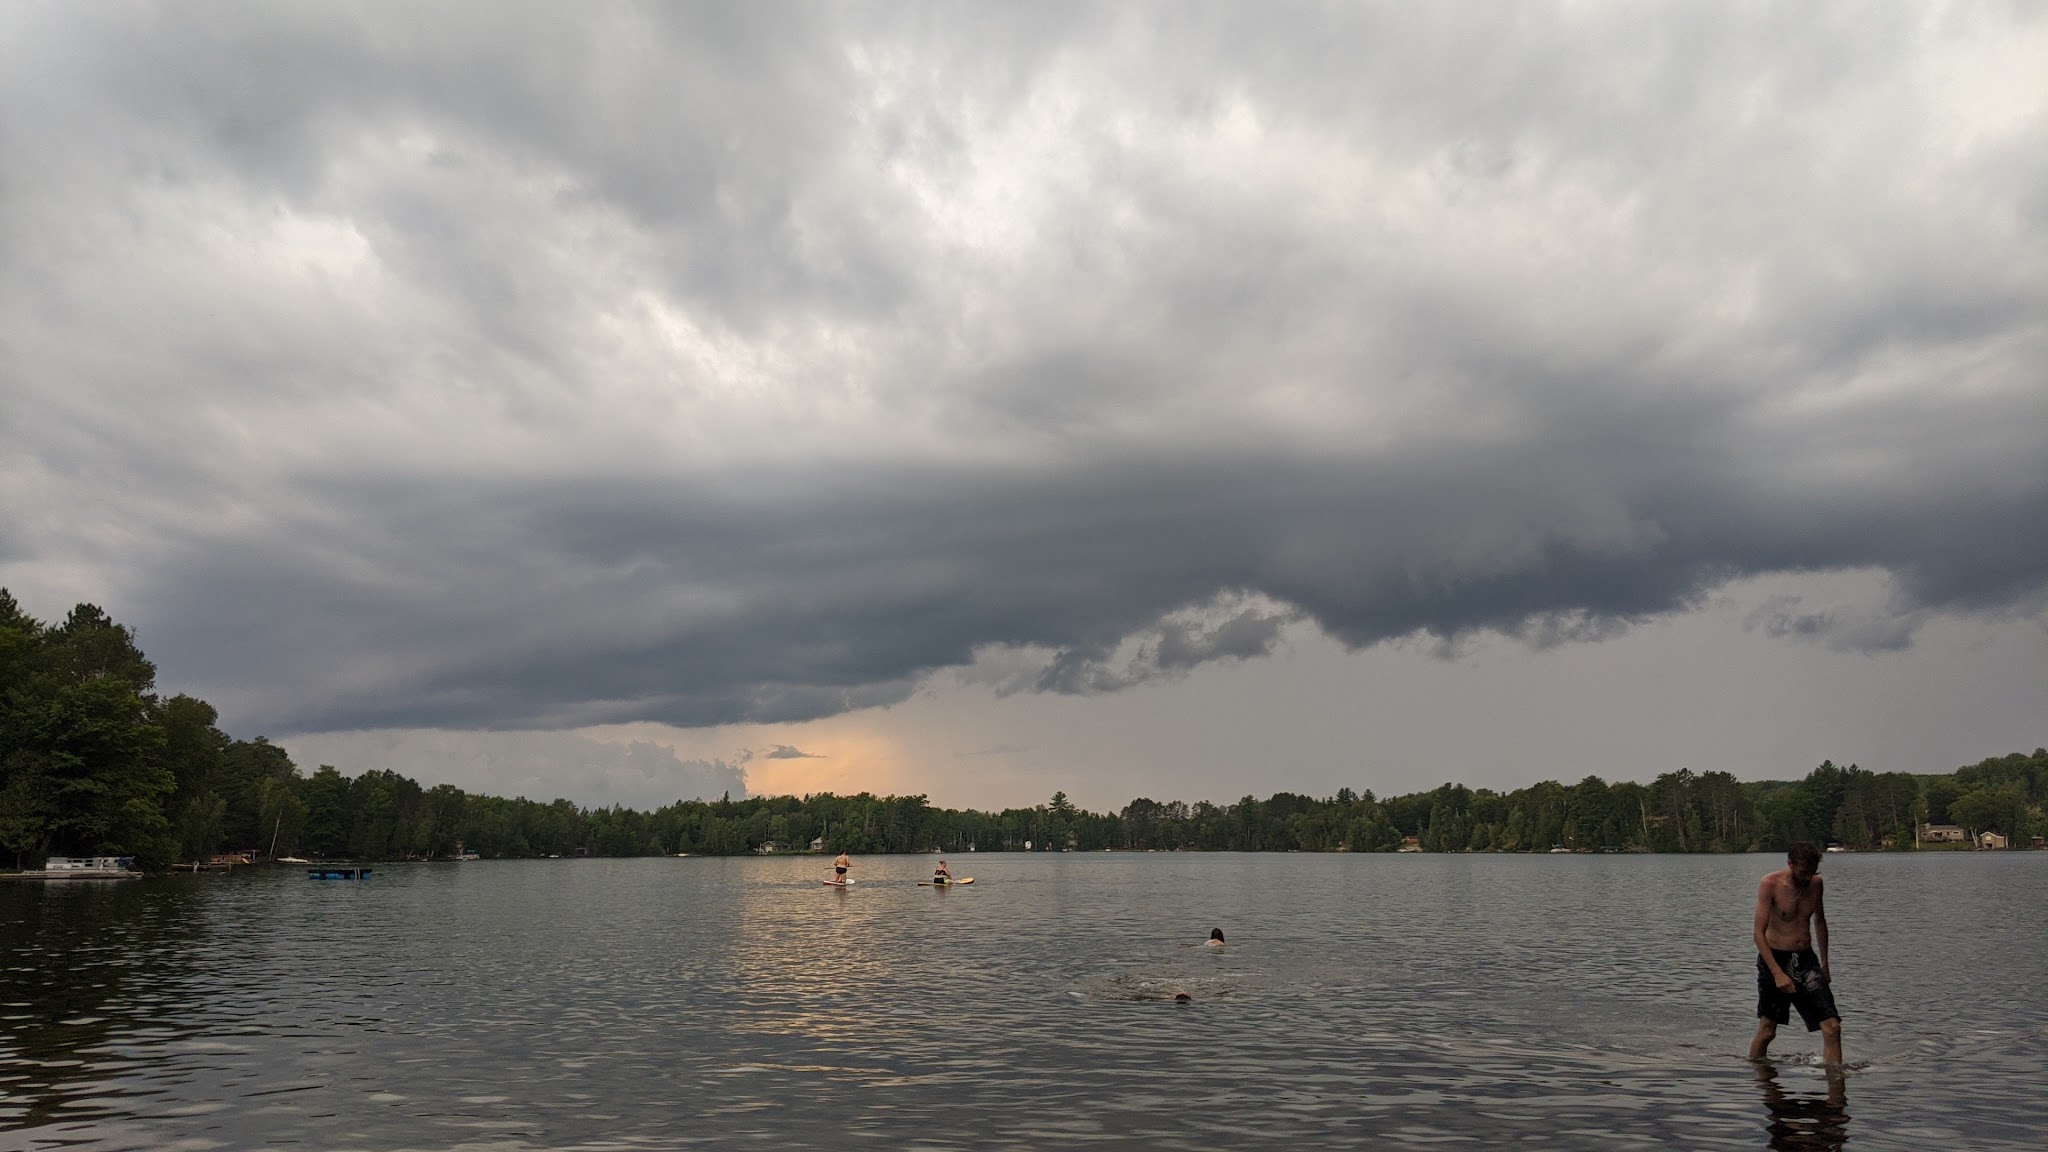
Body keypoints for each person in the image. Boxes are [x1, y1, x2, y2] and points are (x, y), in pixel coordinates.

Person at [1749, 842, 1843, 1065]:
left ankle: (1835, 1088)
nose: (1806, 877)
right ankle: (1757, 1075)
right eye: (1802, 872)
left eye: (1811, 872)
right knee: (1768, 1030)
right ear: (1790, 864)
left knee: (1832, 1027)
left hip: (1806, 961)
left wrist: (1825, 964)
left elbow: (1820, 922)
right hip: (1775, 959)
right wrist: (1777, 973)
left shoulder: (1816, 884)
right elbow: (1758, 934)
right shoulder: (1770, 884)